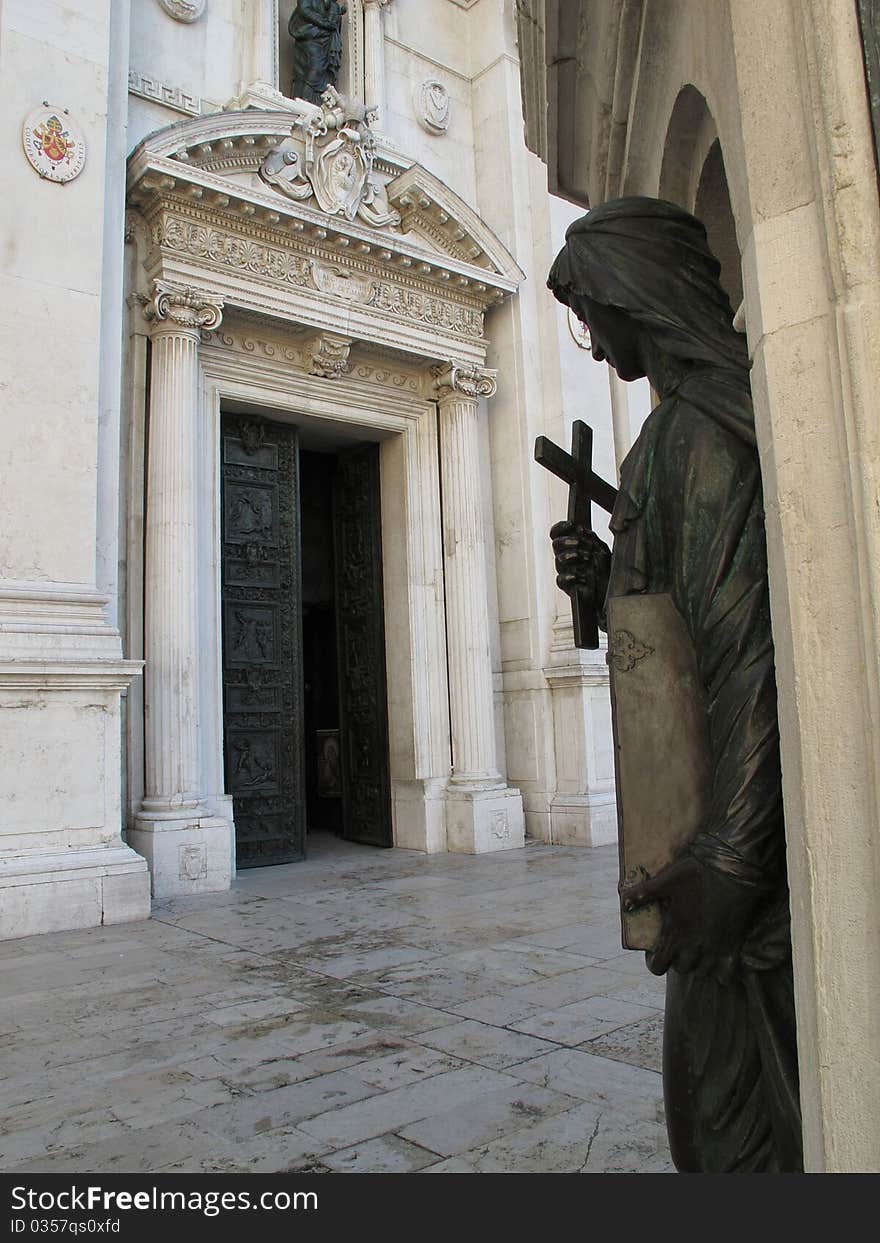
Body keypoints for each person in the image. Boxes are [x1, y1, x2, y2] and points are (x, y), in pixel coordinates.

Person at [547, 197, 803, 1173]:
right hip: (708, 849)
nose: (589, 333)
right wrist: (600, 586)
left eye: (587, 309)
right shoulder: (666, 438)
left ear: (630, 295)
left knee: (730, 1127)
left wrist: (731, 862)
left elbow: (748, 651)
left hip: (732, 882)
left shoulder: (696, 438)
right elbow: (673, 635)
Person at [288, 0, 348, 105]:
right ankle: (305, 100)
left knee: (323, 71)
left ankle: (317, 102)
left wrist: (335, 14)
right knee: (315, 67)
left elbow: (334, 22)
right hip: (310, 35)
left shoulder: (332, 5)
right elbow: (305, 10)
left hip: (325, 38)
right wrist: (324, 23)